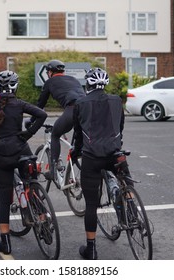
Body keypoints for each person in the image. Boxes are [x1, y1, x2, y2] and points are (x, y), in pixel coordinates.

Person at [0, 70, 47, 255]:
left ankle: (5, 243)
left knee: (4, 199)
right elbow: (42, 115)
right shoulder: (19, 104)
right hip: (22, 150)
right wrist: (28, 133)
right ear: (15, 86)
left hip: (3, 155)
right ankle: (43, 219)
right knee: (32, 182)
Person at [72, 67, 126, 260]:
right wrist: (116, 145)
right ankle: (129, 205)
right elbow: (120, 126)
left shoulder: (81, 103)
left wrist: (75, 152)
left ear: (88, 84)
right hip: (115, 153)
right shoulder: (116, 100)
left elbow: (78, 135)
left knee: (91, 205)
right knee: (125, 181)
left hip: (92, 157)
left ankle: (91, 249)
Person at [30, 59, 85, 181]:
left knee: (55, 134)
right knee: (82, 140)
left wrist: (31, 120)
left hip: (72, 110)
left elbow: (40, 104)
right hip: (88, 110)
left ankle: (54, 170)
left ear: (50, 72)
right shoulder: (74, 79)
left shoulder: (50, 82)